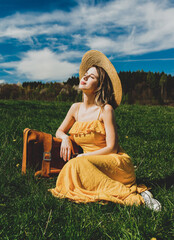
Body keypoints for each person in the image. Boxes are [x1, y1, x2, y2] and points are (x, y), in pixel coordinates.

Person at [49, 50, 161, 211]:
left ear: (99, 86)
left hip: (114, 163)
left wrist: (83, 156)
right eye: (85, 74)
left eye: (91, 77)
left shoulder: (105, 110)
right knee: (73, 168)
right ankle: (123, 191)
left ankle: (137, 198)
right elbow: (59, 131)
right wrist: (65, 138)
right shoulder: (75, 108)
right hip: (87, 162)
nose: (85, 77)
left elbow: (112, 148)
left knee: (75, 166)